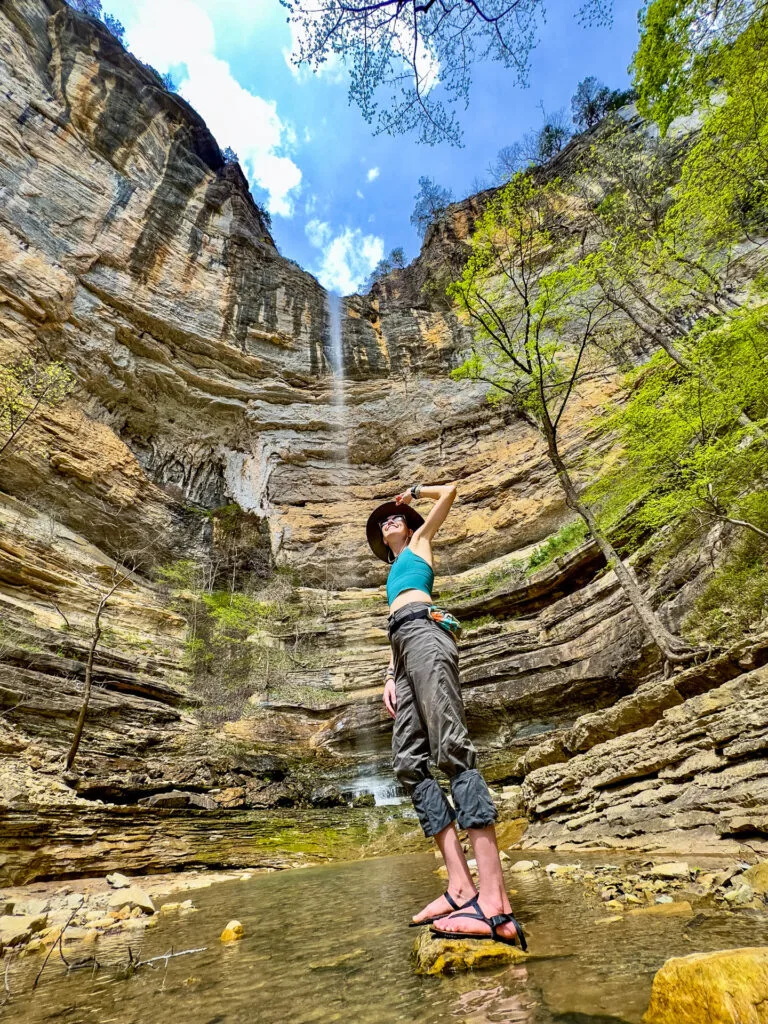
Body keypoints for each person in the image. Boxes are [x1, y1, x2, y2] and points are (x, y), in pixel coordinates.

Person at [365, 482, 527, 949]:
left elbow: (451, 493)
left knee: (451, 750)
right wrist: (390, 676)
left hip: (426, 638)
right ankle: (460, 887)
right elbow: (396, 626)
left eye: (392, 518)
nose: (386, 523)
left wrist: (413, 493)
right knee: (409, 764)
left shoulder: (419, 544)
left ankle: (495, 905)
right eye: (382, 524)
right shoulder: (393, 571)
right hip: (403, 648)